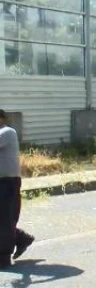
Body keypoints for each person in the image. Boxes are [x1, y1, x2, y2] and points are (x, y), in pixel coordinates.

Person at [0, 109, 35, 268]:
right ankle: (21, 238)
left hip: (8, 182)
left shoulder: (8, 132)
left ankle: (3, 257)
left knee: (5, 218)